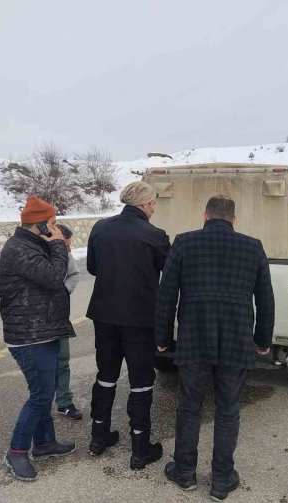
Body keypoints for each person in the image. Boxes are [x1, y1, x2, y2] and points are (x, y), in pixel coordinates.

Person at [156, 195, 275, 501]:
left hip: (195, 338)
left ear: (205, 215)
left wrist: (163, 338)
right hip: (236, 340)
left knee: (189, 406)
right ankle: (221, 480)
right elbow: (265, 299)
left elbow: (166, 295)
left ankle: (185, 473)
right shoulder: (253, 246)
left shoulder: (184, 242)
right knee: (228, 409)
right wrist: (262, 340)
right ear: (233, 220)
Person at [86, 181, 170, 470]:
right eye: (154, 203)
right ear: (145, 205)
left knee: (106, 375)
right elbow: (167, 272)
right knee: (141, 381)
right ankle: (140, 447)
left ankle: (99, 436)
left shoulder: (100, 227)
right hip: (140, 319)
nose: (154, 208)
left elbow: (92, 268)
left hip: (104, 316)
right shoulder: (156, 235)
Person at [0, 195, 76, 482]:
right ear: (40, 224)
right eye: (52, 224)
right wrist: (57, 244)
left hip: (44, 330)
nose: (56, 229)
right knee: (41, 394)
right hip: (29, 336)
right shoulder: (20, 249)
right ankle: (17, 451)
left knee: (46, 390)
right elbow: (55, 278)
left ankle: (44, 443)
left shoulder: (31, 245)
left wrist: (53, 244)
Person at [54, 223, 82, 420]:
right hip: (37, 323)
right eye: (65, 245)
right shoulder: (33, 256)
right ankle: (39, 403)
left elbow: (74, 274)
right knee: (42, 366)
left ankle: (64, 402)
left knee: (63, 362)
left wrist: (64, 291)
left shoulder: (66, 256)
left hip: (59, 319)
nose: (69, 249)